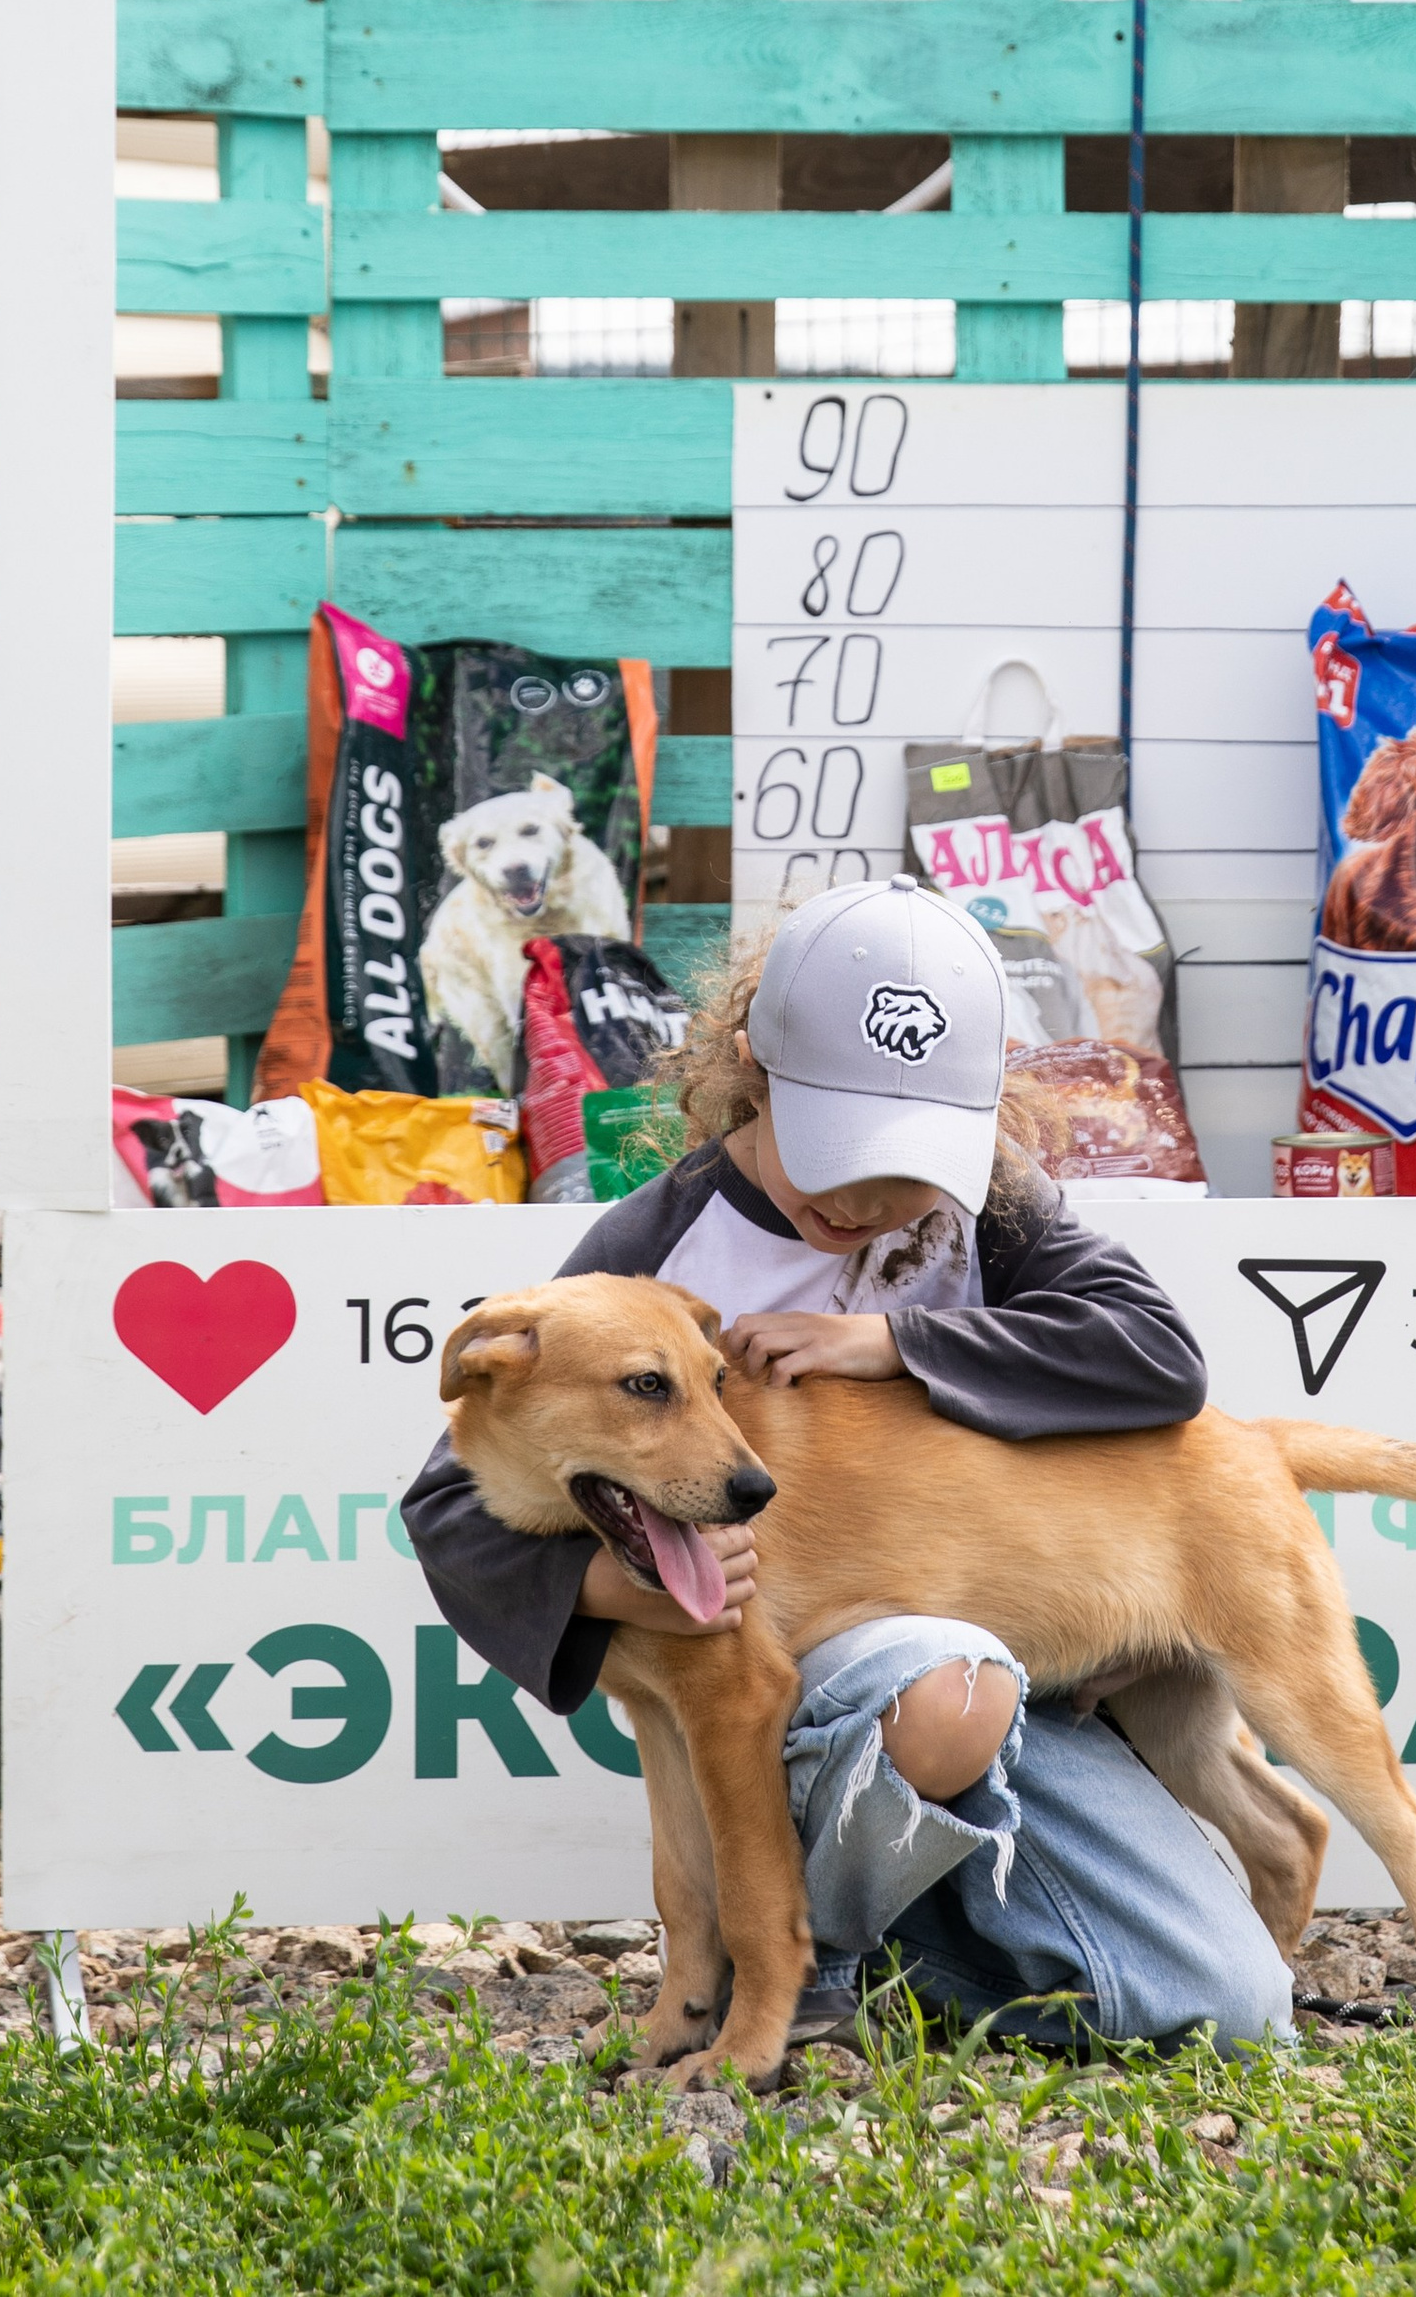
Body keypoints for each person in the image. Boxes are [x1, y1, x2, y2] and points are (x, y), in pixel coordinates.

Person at [404, 874, 1293, 2056]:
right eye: (836, 1148)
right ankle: (802, 1965)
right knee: (942, 1676)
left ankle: (902, 1968)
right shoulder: (653, 1245)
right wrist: (627, 1587)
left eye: (908, 1162)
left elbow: (1153, 1357)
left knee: (1222, 2012)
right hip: (865, 1669)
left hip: (1033, 1661)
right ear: (749, 1064)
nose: (866, 1198)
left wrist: (891, 1340)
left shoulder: (992, 1207)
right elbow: (454, 1503)